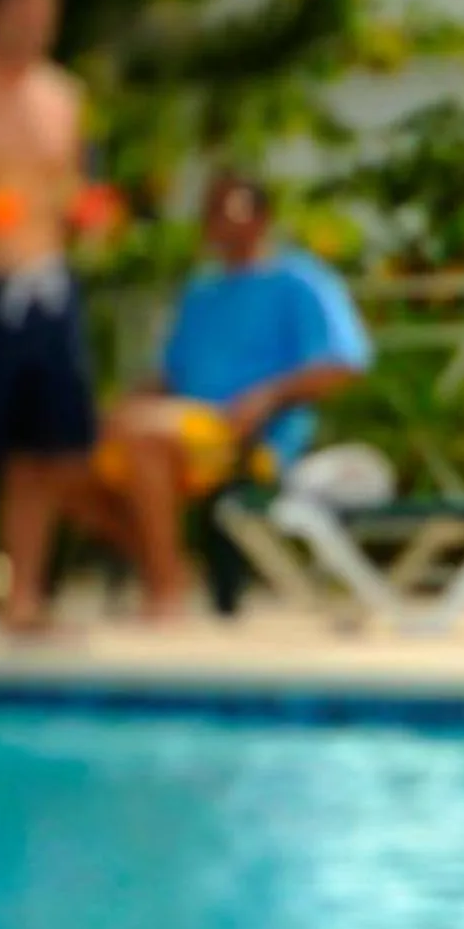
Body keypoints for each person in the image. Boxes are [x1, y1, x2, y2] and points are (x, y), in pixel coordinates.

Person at [71, 173, 371, 619]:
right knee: (63, 457)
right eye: (210, 211)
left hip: (250, 437)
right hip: (178, 428)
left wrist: (267, 396)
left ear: (261, 217)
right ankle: (169, 567)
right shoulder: (201, 290)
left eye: (228, 211)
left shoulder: (300, 280)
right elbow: (171, 373)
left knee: (142, 438)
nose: (216, 222)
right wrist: (120, 404)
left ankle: (165, 589)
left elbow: (344, 362)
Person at [0, 0, 115, 635]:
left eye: (47, 8)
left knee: (49, 448)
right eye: (25, 6)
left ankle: (23, 593)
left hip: (46, 284)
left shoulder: (64, 94)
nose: (37, 22)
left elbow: (73, 188)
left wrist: (89, 216)